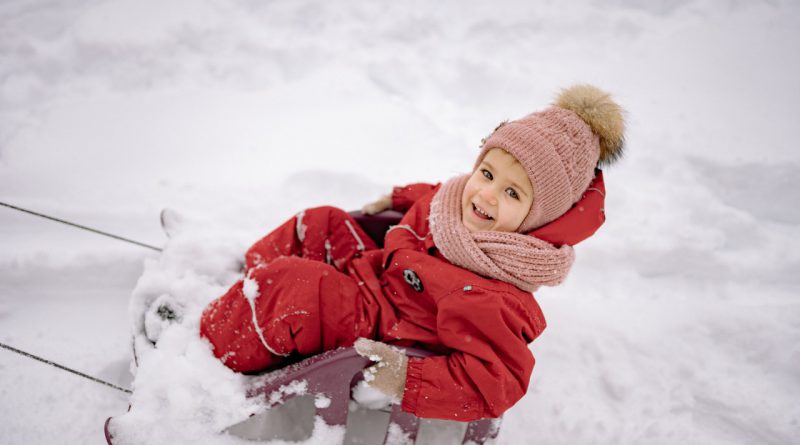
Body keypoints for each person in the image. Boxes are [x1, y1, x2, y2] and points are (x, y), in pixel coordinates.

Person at [199, 84, 625, 421]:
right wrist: (398, 198)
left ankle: (207, 352)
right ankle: (241, 302)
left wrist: (408, 378)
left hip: (384, 327)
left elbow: (498, 381)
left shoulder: (495, 295)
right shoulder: (458, 203)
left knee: (296, 287)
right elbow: (436, 195)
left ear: (537, 219)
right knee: (320, 222)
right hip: (376, 275)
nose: (486, 195)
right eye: (487, 173)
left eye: (512, 193)